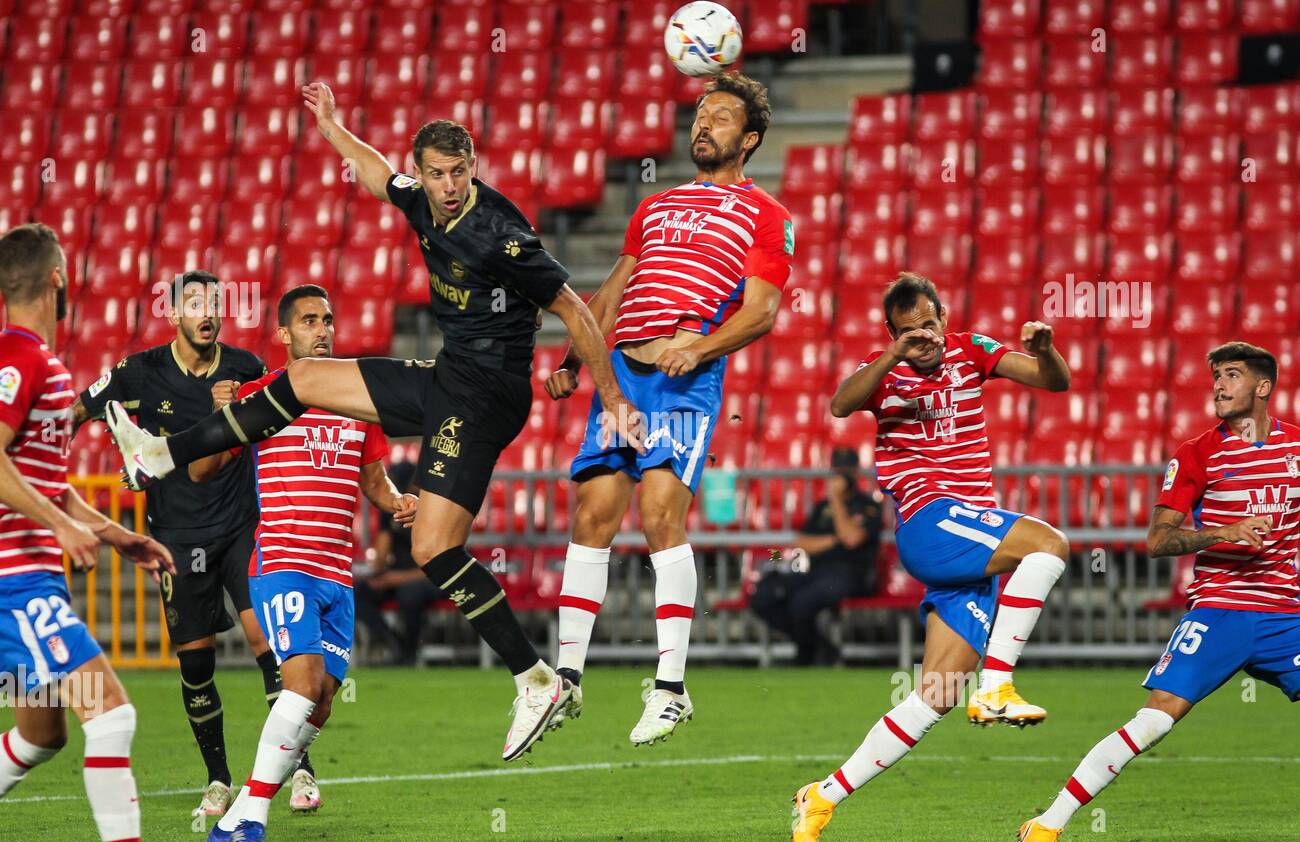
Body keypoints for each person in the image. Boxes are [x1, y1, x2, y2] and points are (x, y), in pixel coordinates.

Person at [104, 83, 644, 761]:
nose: (447, 187)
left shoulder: (501, 233)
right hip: (449, 377)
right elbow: (373, 172)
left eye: (458, 173)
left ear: (472, 167)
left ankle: (537, 680)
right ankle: (160, 456)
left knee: (432, 549)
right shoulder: (420, 200)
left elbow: (574, 306)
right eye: (435, 174)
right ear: (422, 172)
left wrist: (613, 398)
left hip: (490, 395)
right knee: (300, 380)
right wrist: (331, 125)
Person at [542, 72, 793, 745]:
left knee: (658, 513)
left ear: (750, 139)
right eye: (700, 113)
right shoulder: (653, 207)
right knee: (593, 513)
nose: (703, 125)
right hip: (623, 371)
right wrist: (572, 360)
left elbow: (762, 311)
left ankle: (672, 688)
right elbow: (613, 291)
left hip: (685, 381)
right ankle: (566, 679)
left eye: (720, 116)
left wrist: (703, 346)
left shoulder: (767, 215)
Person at [791, 271, 1072, 842]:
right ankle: (997, 686)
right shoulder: (883, 369)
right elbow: (840, 404)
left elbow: (1054, 383)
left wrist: (1044, 351)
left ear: (944, 315)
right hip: (930, 519)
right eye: (908, 328)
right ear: (891, 332)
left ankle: (822, 796)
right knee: (1050, 545)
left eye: (929, 320)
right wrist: (893, 353)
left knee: (938, 694)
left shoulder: (973, 351)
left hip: (969, 541)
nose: (925, 334)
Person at [1017, 341, 1298, 842]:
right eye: (1216, 375)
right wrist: (1225, 531)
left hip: (1287, 616)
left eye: (1232, 375)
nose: (1219, 385)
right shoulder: (1197, 454)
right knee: (1155, 719)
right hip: (1220, 612)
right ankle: (1046, 827)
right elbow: (1156, 541)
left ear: (1263, 387)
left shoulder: (1297, 450)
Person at [72, 269, 317, 817]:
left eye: (215, 304)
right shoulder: (140, 372)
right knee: (196, 666)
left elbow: (289, 411)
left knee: (271, 648)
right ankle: (218, 780)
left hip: (241, 529)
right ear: (174, 314)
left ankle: (299, 770)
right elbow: (77, 413)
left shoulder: (244, 368)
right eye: (196, 305)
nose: (207, 313)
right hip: (176, 538)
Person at [190, 284, 417, 842]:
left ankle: (233, 819)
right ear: (285, 335)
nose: (324, 330)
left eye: (329, 320)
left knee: (320, 703)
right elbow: (203, 469)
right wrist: (223, 416)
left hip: (337, 574)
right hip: (284, 563)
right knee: (302, 684)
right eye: (310, 321)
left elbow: (373, 480)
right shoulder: (266, 396)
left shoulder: (357, 402)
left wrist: (396, 504)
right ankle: (254, 822)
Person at [0, 223, 175, 842]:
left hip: (27, 578)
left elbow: (43, 479)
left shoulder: (43, 364)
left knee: (40, 735)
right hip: (14, 580)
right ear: (56, 278)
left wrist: (112, 531)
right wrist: (62, 527)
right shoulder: (16, 358)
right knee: (112, 716)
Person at [750, 447, 884, 665]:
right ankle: (821, 648)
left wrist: (837, 501)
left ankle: (806, 656)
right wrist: (834, 539)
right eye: (838, 469)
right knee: (764, 594)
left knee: (803, 601)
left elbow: (851, 539)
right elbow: (802, 543)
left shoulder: (868, 506)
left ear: (856, 472)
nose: (841, 475)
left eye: (846, 470)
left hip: (851, 574)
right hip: (816, 571)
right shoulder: (822, 507)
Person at [353, 460, 440, 665]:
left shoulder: (434, 510)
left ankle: (409, 652)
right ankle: (391, 640)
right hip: (399, 575)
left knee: (410, 593)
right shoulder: (391, 509)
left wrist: (394, 578)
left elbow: (439, 563)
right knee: (358, 591)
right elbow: (381, 557)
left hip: (430, 575)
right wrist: (378, 571)